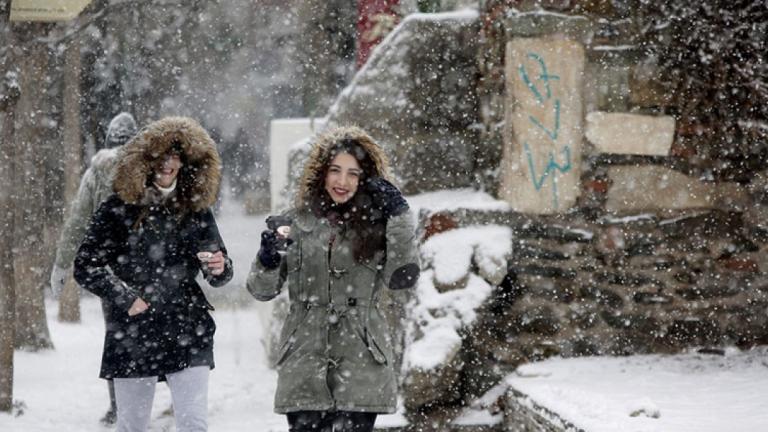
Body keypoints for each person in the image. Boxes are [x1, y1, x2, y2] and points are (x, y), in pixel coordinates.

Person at [247, 126, 420, 432]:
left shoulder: (380, 225)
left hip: (362, 358)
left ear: (365, 179)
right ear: (321, 173)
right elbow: (262, 290)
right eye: (335, 171)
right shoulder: (295, 222)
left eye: (353, 174)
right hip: (304, 359)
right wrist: (268, 257)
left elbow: (402, 277)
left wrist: (400, 214)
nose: (342, 182)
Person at [74, 116, 233, 432]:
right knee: (132, 426)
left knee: (193, 425)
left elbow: (219, 269)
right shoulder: (118, 207)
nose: (168, 163)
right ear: (144, 159)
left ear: (185, 161)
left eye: (176, 155)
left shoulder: (196, 207)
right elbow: (85, 265)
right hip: (134, 331)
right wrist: (126, 297)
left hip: (188, 325)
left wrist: (219, 266)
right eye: (161, 154)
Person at [50, 111, 138, 425]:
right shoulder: (149, 169)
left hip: (109, 269)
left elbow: (77, 221)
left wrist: (62, 264)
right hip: (147, 266)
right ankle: (144, 397)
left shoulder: (96, 172)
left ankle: (119, 406)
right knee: (151, 334)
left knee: (117, 335)